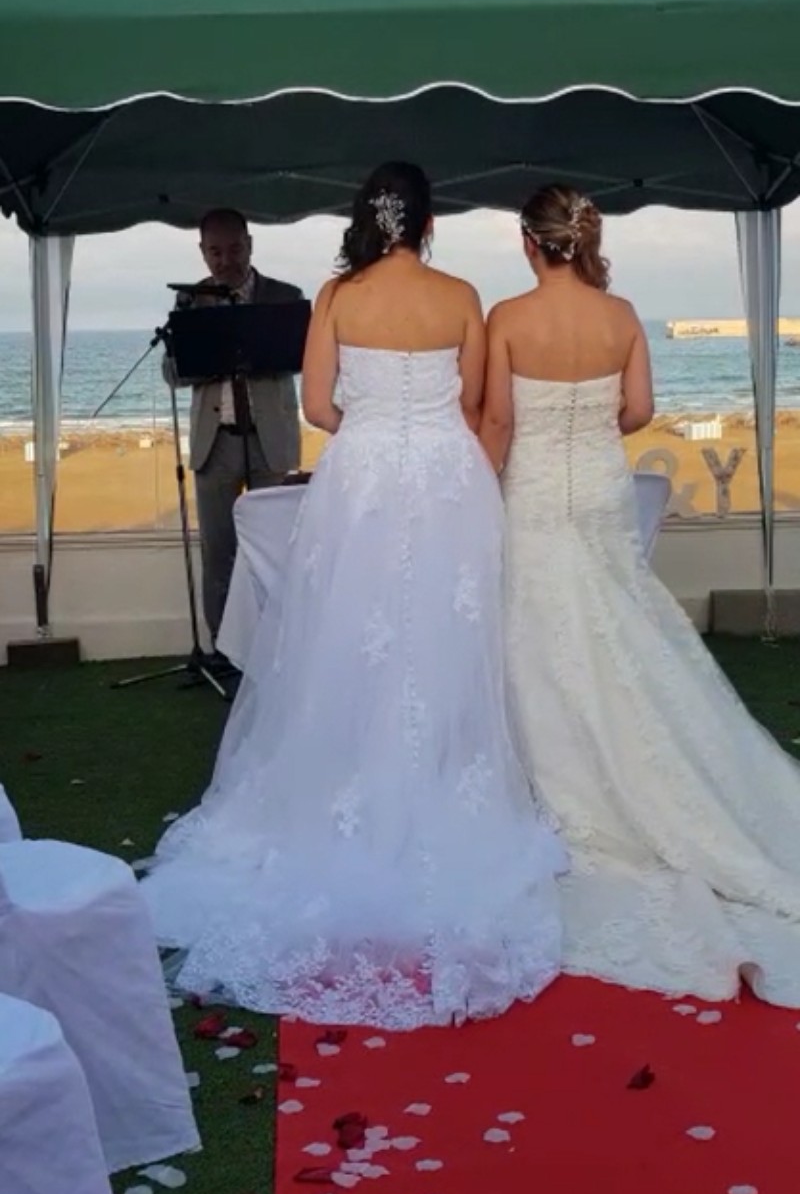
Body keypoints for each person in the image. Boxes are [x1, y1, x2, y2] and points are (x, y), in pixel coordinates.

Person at [142, 163, 565, 1029]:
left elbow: (319, 408)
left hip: (364, 480)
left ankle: (347, 784)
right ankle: (435, 785)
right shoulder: (460, 295)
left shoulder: (337, 295)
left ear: (366, 219)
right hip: (446, 480)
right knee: (441, 639)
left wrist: (376, 426)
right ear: (428, 223)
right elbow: (476, 403)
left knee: (349, 636)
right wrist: (425, 432)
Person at [480, 182, 800, 1007]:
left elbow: (498, 423)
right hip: (597, 485)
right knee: (616, 625)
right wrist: (587, 426)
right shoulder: (621, 315)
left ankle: (564, 784)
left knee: (539, 632)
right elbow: (640, 410)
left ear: (529, 243)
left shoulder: (507, 318)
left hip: (535, 491)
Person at [165, 208, 304, 655]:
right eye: (215, 252)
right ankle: (223, 651)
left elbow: (302, 358)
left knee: (274, 548)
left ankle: (277, 649)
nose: (225, 260)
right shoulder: (189, 302)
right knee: (219, 552)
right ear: (202, 252)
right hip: (216, 442)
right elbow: (171, 373)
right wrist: (207, 355)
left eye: (234, 249)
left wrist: (254, 347)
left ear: (250, 245)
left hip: (270, 440)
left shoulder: (284, 297)